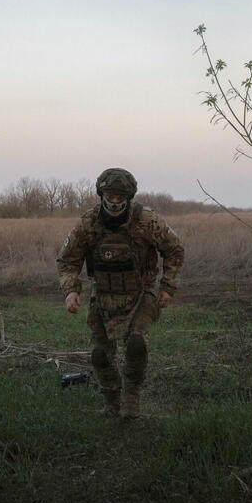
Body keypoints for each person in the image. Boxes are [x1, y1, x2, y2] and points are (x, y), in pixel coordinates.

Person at [56, 167, 184, 419]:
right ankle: (111, 403)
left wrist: (168, 287)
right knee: (100, 355)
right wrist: (70, 290)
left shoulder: (147, 221)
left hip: (140, 294)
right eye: (110, 196)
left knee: (136, 345)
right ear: (101, 195)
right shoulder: (88, 223)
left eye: (120, 197)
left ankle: (131, 400)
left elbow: (175, 250)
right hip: (102, 296)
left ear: (129, 197)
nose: (115, 202)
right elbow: (67, 260)